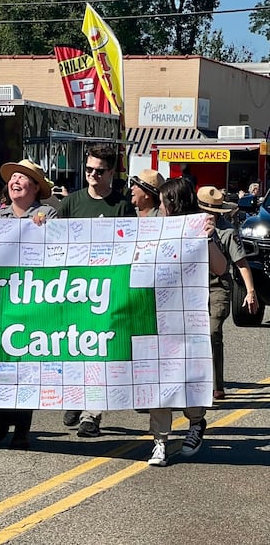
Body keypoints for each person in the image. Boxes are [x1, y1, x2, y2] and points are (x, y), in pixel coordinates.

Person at [147, 177, 227, 467]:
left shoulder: (200, 228)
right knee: (159, 377)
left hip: (189, 315)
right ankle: (160, 440)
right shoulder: (153, 227)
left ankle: (196, 422)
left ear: (173, 202)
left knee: (190, 372)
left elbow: (220, 268)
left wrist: (207, 238)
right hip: (158, 313)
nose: (159, 208)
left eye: (162, 203)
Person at [58, 144, 136, 438]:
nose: (92, 174)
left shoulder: (121, 206)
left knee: (99, 351)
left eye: (99, 171)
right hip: (73, 290)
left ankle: (92, 414)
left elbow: (131, 245)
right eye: (88, 169)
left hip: (107, 290)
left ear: (112, 173)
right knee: (74, 348)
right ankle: (75, 398)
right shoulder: (72, 203)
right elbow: (53, 240)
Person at [0, 159, 57, 450]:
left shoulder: (47, 214)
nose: (15, 181)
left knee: (25, 361)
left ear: (36, 187)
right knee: (0, 359)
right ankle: (2, 417)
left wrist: (44, 229)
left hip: (31, 297)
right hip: (0, 297)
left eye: (23, 178)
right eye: (13, 177)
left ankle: (22, 428)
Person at [197, 185, 258, 401]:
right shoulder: (190, 227)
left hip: (218, 287)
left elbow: (241, 263)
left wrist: (250, 291)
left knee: (213, 332)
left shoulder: (227, 232)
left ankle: (216, 386)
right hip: (194, 287)